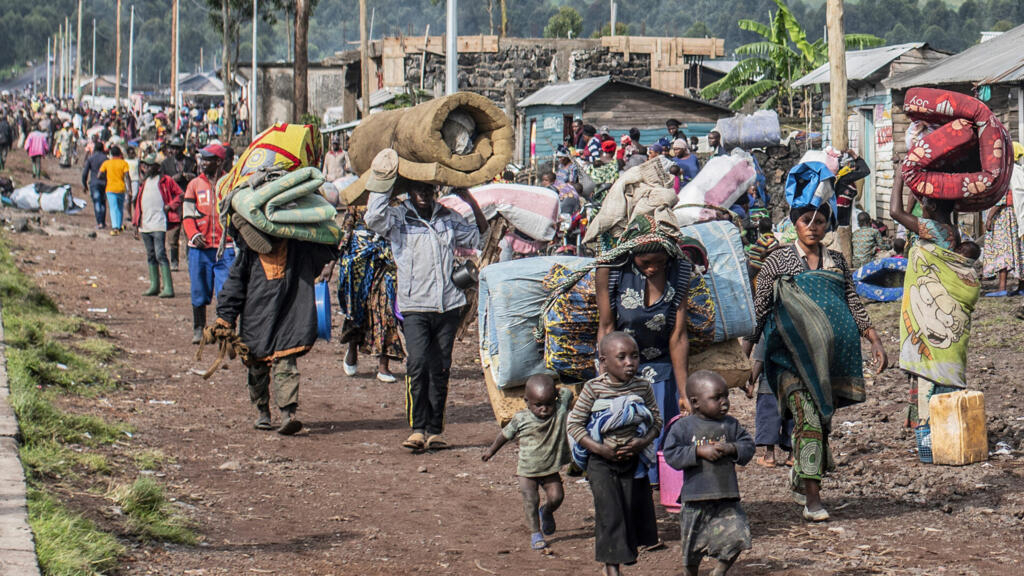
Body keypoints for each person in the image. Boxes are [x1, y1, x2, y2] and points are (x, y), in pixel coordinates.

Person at [744, 202, 887, 521]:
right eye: (805, 221)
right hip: (788, 358)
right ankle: (813, 500)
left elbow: (851, 301)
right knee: (807, 420)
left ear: (827, 227)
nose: (812, 226)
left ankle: (801, 477)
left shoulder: (836, 261)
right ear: (794, 225)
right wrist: (746, 361)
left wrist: (874, 339)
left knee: (821, 422)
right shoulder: (778, 261)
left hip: (828, 362)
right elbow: (761, 310)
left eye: (820, 221)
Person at [363, 149, 487, 451]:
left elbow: (478, 236)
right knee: (417, 364)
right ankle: (417, 428)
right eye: (418, 188)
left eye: (428, 188)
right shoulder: (398, 216)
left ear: (436, 189)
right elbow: (372, 217)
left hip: (448, 305)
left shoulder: (449, 217)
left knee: (440, 367)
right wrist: (384, 179)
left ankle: (435, 430)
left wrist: (469, 199)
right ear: (409, 189)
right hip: (415, 305)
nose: (423, 193)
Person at [596, 224, 695, 485]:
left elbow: (678, 335)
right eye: (646, 262)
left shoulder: (680, 270)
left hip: (662, 364)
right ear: (632, 256)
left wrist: (684, 392)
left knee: (662, 429)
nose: (653, 268)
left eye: (660, 262)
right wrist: (604, 381)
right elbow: (606, 327)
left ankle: (663, 487)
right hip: (622, 365)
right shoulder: (612, 271)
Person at [215, 230, 338, 436]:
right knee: (256, 365)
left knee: (286, 363)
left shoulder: (299, 244)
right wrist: (226, 316)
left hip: (290, 310)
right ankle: (262, 411)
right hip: (257, 314)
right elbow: (235, 282)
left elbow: (326, 251)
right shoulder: (249, 250)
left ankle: (287, 414)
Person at [890, 167, 979, 432]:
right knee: (935, 368)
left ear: (929, 204)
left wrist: (898, 177)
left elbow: (895, 213)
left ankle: (930, 431)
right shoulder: (951, 230)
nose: (919, 206)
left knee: (929, 369)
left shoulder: (934, 228)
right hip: (935, 306)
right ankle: (940, 423)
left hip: (932, 310)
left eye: (923, 202)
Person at [567, 332, 661, 576]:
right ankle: (611, 568)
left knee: (629, 509)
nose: (630, 362)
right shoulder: (593, 388)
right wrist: (599, 449)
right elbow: (574, 425)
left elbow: (656, 421)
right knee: (610, 512)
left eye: (634, 356)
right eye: (621, 357)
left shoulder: (642, 386)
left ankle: (623, 556)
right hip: (601, 461)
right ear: (604, 361)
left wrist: (642, 442)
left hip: (632, 459)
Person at [663, 370, 754, 576]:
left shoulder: (730, 424)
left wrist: (731, 448)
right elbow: (671, 454)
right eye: (716, 398)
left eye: (726, 396)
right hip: (695, 498)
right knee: (691, 548)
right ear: (695, 402)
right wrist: (697, 450)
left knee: (738, 535)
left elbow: (748, 445)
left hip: (726, 496)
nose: (724, 402)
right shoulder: (683, 427)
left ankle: (719, 571)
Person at [481, 375, 572, 551]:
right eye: (538, 405)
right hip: (527, 471)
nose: (544, 409)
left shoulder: (559, 412)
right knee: (531, 500)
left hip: (550, 469)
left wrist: (555, 391)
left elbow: (566, 393)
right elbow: (504, 436)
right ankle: (535, 532)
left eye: (549, 404)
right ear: (526, 401)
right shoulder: (521, 419)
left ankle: (546, 511)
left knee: (557, 497)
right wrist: (491, 451)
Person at [326, 197, 405, 383]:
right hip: (357, 263)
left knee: (386, 311)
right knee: (357, 310)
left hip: (386, 262)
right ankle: (353, 347)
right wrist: (331, 264)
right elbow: (345, 232)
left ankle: (383, 365)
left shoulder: (395, 204)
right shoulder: (357, 202)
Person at [183, 143, 235, 344]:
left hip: (226, 248)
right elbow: (187, 215)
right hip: (199, 249)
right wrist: (193, 233)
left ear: (219, 162)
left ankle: (224, 330)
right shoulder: (194, 185)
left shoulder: (230, 184)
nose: (203, 163)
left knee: (227, 291)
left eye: (208, 160)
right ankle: (199, 328)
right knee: (199, 290)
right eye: (202, 159)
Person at [131, 153, 183, 298]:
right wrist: (136, 223)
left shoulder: (166, 181)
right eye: (144, 165)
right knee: (150, 255)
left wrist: (170, 206)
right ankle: (154, 285)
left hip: (159, 223)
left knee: (160, 253)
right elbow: (138, 205)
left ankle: (168, 287)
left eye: (148, 165)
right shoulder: (144, 183)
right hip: (145, 225)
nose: (145, 168)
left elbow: (180, 195)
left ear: (156, 167)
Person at [161, 137, 197, 270]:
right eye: (173, 148)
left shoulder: (191, 162)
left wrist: (190, 176)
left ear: (182, 149)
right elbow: (162, 181)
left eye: (177, 148)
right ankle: (174, 261)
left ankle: (189, 260)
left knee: (189, 232)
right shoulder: (166, 163)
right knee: (173, 235)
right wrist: (172, 179)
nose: (174, 151)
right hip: (173, 202)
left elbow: (199, 176)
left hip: (189, 200)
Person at [981, 184, 1023, 297]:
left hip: (1002, 216)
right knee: (1017, 248)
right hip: (1013, 213)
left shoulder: (1002, 176)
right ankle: (1021, 286)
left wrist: (989, 217)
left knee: (1003, 249)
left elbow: (1001, 200)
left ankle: (1002, 287)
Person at [98, 145, 132, 235]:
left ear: (111, 154)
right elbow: (127, 177)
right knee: (120, 208)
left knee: (113, 208)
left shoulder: (107, 163)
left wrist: (106, 178)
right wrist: (130, 189)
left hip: (110, 188)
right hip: (121, 188)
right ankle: (119, 225)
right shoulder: (124, 163)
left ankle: (115, 227)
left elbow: (99, 175)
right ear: (120, 153)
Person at [834, 150, 871, 227]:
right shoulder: (846, 178)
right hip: (843, 219)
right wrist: (855, 156)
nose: (855, 167)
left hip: (838, 215)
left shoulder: (838, 176)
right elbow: (865, 171)